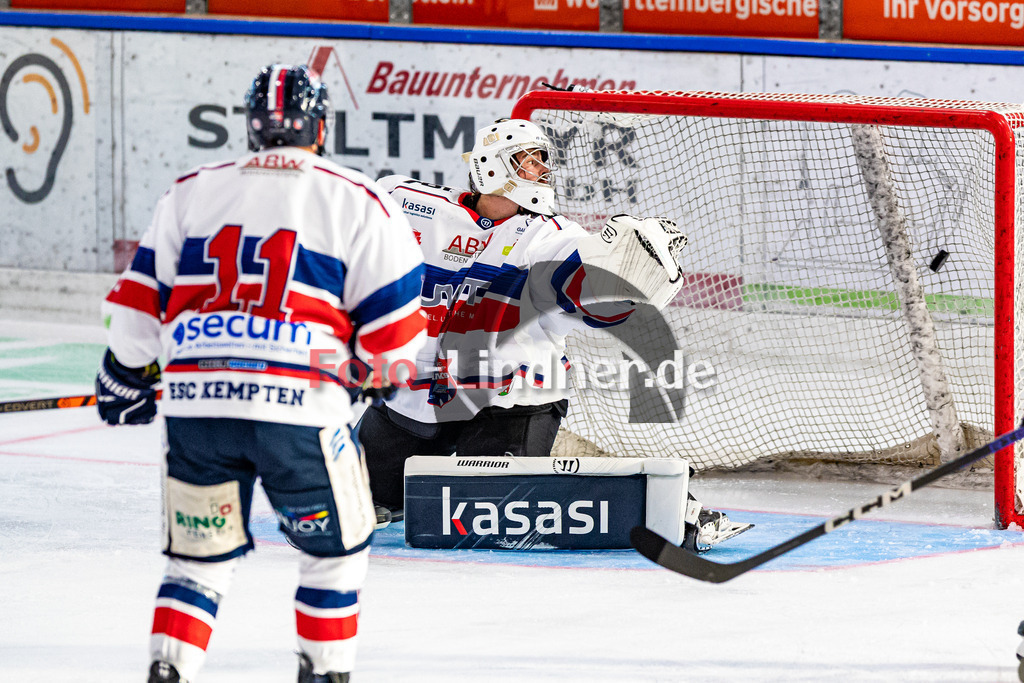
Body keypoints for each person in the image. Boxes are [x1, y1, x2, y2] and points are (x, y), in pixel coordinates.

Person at [96, 64, 426, 683]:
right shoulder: (357, 197)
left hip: (198, 411)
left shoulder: (192, 189)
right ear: (321, 126)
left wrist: (125, 375)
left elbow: (137, 315)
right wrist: (372, 373)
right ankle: (325, 675)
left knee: (198, 563)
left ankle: (169, 671)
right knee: (336, 557)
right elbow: (396, 341)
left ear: (252, 126)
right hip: (299, 412)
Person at [359, 117, 749, 553]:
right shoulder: (407, 203)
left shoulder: (551, 237)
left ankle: (675, 508)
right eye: (527, 161)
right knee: (350, 493)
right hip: (412, 393)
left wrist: (627, 279)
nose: (542, 170)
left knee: (488, 519)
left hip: (511, 403)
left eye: (544, 160)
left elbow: (593, 299)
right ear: (490, 166)